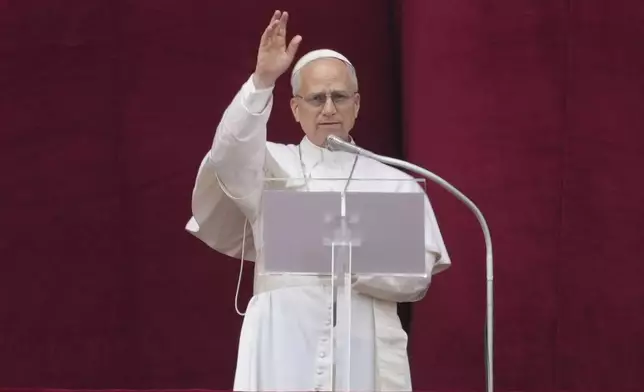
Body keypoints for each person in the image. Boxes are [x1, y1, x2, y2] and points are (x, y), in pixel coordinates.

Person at [185, 10, 451, 392]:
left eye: (339, 97)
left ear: (356, 105)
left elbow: (416, 278)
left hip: (363, 349)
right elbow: (226, 156)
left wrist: (337, 253)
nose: (329, 109)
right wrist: (262, 82)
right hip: (282, 347)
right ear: (295, 108)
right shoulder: (270, 168)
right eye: (316, 98)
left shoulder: (394, 181)